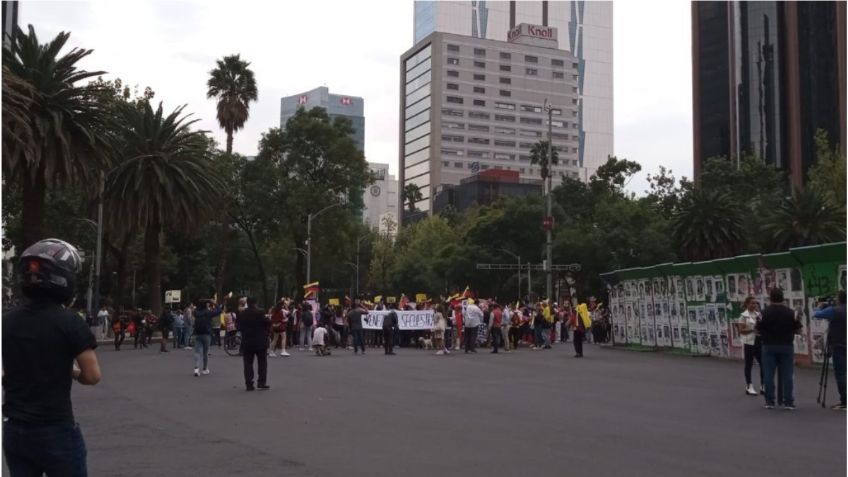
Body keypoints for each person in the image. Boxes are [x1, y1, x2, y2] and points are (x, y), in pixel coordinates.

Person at [3, 238, 102, 476]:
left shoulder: (6, 321)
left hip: (15, 431)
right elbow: (92, 376)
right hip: (54, 429)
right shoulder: (69, 322)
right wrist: (72, 371)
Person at [756, 288, 801, 410]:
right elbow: (798, 329)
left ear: (770, 298)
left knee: (768, 375)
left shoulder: (763, 313)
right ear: (783, 298)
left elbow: (758, 329)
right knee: (787, 374)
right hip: (786, 345)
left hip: (768, 346)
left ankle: (769, 401)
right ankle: (788, 402)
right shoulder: (792, 313)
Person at [814, 290, 846, 410]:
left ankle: (845, 401)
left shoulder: (834, 311)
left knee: (841, 374)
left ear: (839, 299)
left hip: (839, 346)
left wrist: (819, 306)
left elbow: (816, 314)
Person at [237, 297, 271, 391]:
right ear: (256, 303)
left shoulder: (242, 314)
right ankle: (261, 382)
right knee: (262, 363)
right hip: (260, 341)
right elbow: (267, 323)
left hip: (247, 341)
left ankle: (249, 384)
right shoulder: (260, 312)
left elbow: (238, 327)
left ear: (247, 303)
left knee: (248, 363)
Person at [737, 297, 762, 396]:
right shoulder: (743, 316)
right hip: (749, 342)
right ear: (747, 304)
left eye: (755, 303)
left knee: (763, 363)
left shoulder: (758, 315)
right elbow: (741, 330)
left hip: (758, 341)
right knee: (749, 364)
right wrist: (752, 330)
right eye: (752, 303)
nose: (754, 305)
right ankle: (749, 385)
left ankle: (763, 385)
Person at [193, 300, 221, 376]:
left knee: (197, 352)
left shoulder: (195, 312)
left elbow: (194, 309)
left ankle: (196, 368)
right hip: (207, 333)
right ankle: (205, 369)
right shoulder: (208, 312)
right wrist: (213, 303)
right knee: (205, 352)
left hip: (197, 333)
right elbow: (219, 310)